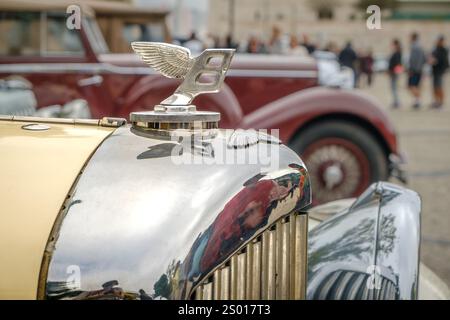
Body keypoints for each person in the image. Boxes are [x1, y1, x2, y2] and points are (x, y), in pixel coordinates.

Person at [407, 32, 426, 109]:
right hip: (419, 69)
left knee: (411, 85)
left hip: (414, 70)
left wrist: (412, 69)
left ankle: (418, 100)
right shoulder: (420, 46)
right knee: (416, 86)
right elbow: (424, 59)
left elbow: (413, 60)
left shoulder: (414, 47)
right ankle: (417, 101)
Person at [430, 35, 449, 109]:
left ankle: (441, 102)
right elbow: (431, 57)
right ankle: (436, 101)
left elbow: (445, 61)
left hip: (440, 71)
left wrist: (436, 61)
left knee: (439, 87)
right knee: (435, 87)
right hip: (435, 70)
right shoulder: (435, 49)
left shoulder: (444, 50)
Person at [388, 39, 403, 108]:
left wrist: (392, 71)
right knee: (394, 87)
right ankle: (396, 101)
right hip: (394, 72)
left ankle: (396, 102)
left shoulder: (397, 53)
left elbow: (397, 64)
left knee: (394, 87)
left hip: (394, 73)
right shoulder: (397, 53)